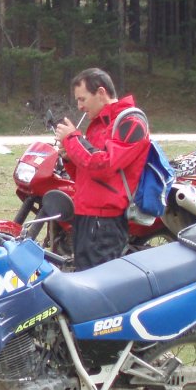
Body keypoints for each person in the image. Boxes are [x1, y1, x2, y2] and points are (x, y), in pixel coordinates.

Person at [53, 67, 151, 271]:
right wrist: (69, 157)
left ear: (100, 92)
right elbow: (87, 175)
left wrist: (72, 139)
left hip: (105, 222)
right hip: (85, 216)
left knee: (100, 283)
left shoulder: (131, 122)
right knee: (83, 278)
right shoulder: (98, 124)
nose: (79, 107)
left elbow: (103, 166)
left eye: (82, 99)